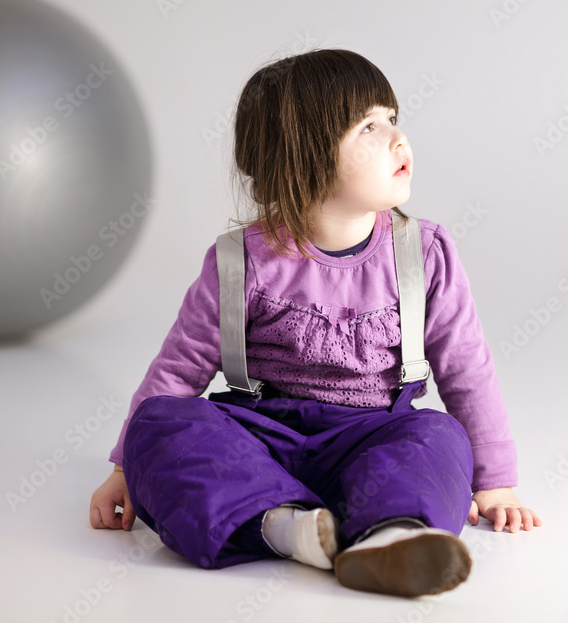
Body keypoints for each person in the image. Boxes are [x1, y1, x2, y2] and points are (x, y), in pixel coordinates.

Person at [89, 48, 542, 598]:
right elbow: (180, 365)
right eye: (370, 128)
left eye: (393, 119)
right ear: (303, 157)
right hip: (260, 435)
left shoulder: (423, 254)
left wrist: (495, 483)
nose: (399, 139)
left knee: (436, 435)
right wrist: (124, 468)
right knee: (162, 424)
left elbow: (467, 369)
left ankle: (390, 537)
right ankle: (289, 528)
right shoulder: (243, 261)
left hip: (372, 433)